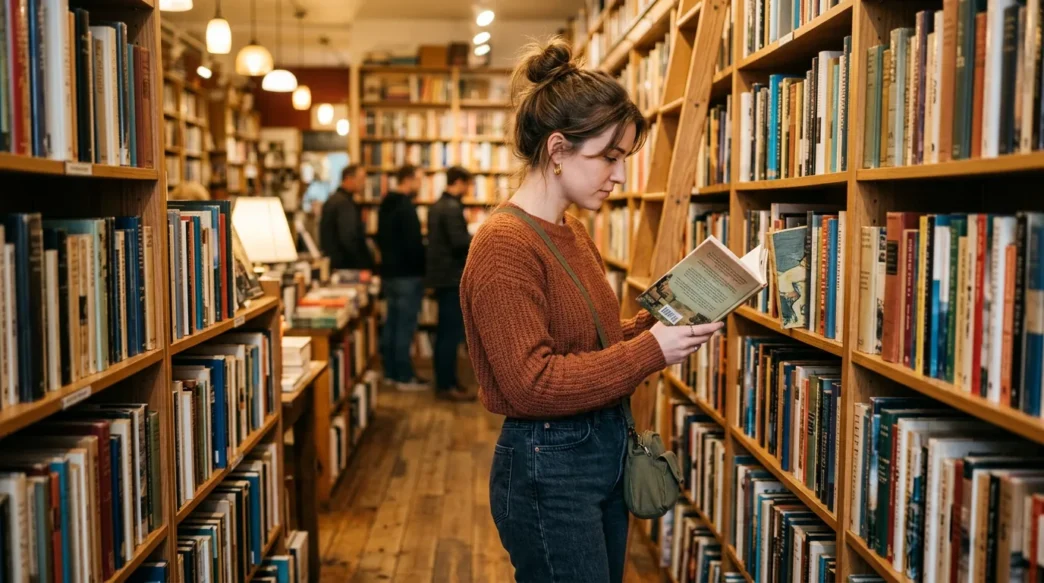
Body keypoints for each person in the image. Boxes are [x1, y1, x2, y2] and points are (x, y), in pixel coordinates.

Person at [459, 39, 723, 583]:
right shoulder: (504, 245)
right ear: (557, 149)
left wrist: (664, 318)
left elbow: (589, 346)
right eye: (609, 156)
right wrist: (650, 351)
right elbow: (533, 381)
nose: (620, 175)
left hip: (600, 452)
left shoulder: (573, 233)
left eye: (623, 158)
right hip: (547, 468)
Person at [377, 164, 428, 392]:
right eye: (418, 179)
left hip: (389, 273)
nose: (420, 184)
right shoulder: (405, 206)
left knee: (392, 323)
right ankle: (404, 376)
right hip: (407, 275)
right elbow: (413, 245)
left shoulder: (386, 203)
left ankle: (390, 372)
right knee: (405, 327)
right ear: (408, 179)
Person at [426, 166, 475, 402]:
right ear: (458, 182)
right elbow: (458, 243)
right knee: (450, 334)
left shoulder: (437, 206)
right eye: (467, 184)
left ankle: (446, 381)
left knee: (445, 332)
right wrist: (477, 235)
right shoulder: (452, 207)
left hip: (441, 276)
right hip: (451, 277)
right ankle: (446, 385)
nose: (468, 189)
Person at [319, 164, 375, 271]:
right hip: (346, 267)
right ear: (348, 179)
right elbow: (349, 239)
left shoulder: (335, 199)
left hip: (337, 265)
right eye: (361, 179)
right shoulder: (343, 203)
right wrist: (364, 265)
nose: (364, 183)